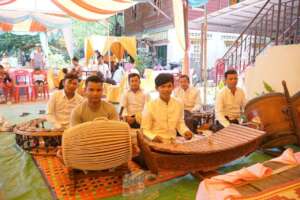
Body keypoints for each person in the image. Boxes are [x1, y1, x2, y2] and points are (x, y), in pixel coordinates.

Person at [141, 73, 193, 143]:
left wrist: (185, 131)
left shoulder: (179, 103)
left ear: (173, 87)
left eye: (169, 86)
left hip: (173, 142)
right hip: (156, 143)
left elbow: (180, 123)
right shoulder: (150, 105)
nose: (166, 89)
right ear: (156, 88)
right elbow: (144, 129)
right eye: (163, 86)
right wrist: (153, 137)